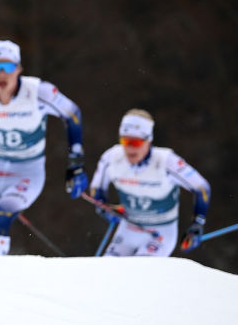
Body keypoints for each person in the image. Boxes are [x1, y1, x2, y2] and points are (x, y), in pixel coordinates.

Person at [0, 39, 88, 260]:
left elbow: (72, 114)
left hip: (27, 172)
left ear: (19, 69)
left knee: (1, 215)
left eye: (9, 66)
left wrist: (76, 163)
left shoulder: (39, 93)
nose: (2, 74)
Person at [89, 109, 210, 256]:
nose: (129, 148)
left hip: (161, 232)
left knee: (140, 275)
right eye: (125, 141)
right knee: (108, 273)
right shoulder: (111, 158)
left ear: (149, 140)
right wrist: (102, 207)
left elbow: (202, 188)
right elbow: (97, 189)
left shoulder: (167, 161)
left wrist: (197, 223)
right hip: (129, 229)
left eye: (136, 142)